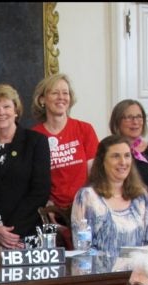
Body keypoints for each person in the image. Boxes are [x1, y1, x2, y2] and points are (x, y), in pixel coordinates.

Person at [0, 83, 51, 248]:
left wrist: (10, 231)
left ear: (16, 111)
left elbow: (40, 191)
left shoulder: (36, 142)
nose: (1, 112)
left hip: (25, 234)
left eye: (6, 106)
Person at [71, 135, 148, 256]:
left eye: (127, 155)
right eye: (116, 156)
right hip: (101, 273)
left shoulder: (141, 196)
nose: (123, 162)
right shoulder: (87, 197)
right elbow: (83, 250)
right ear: (102, 161)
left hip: (137, 272)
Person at [31, 73, 99, 209]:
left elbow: (95, 173)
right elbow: (33, 180)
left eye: (65, 93)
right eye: (55, 93)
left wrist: (87, 204)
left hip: (86, 206)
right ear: (42, 99)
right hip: (51, 211)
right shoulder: (34, 136)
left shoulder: (85, 129)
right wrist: (47, 206)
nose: (61, 97)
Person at [109, 99, 148, 200]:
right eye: (129, 117)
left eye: (139, 117)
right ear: (117, 121)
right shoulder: (107, 151)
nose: (135, 122)